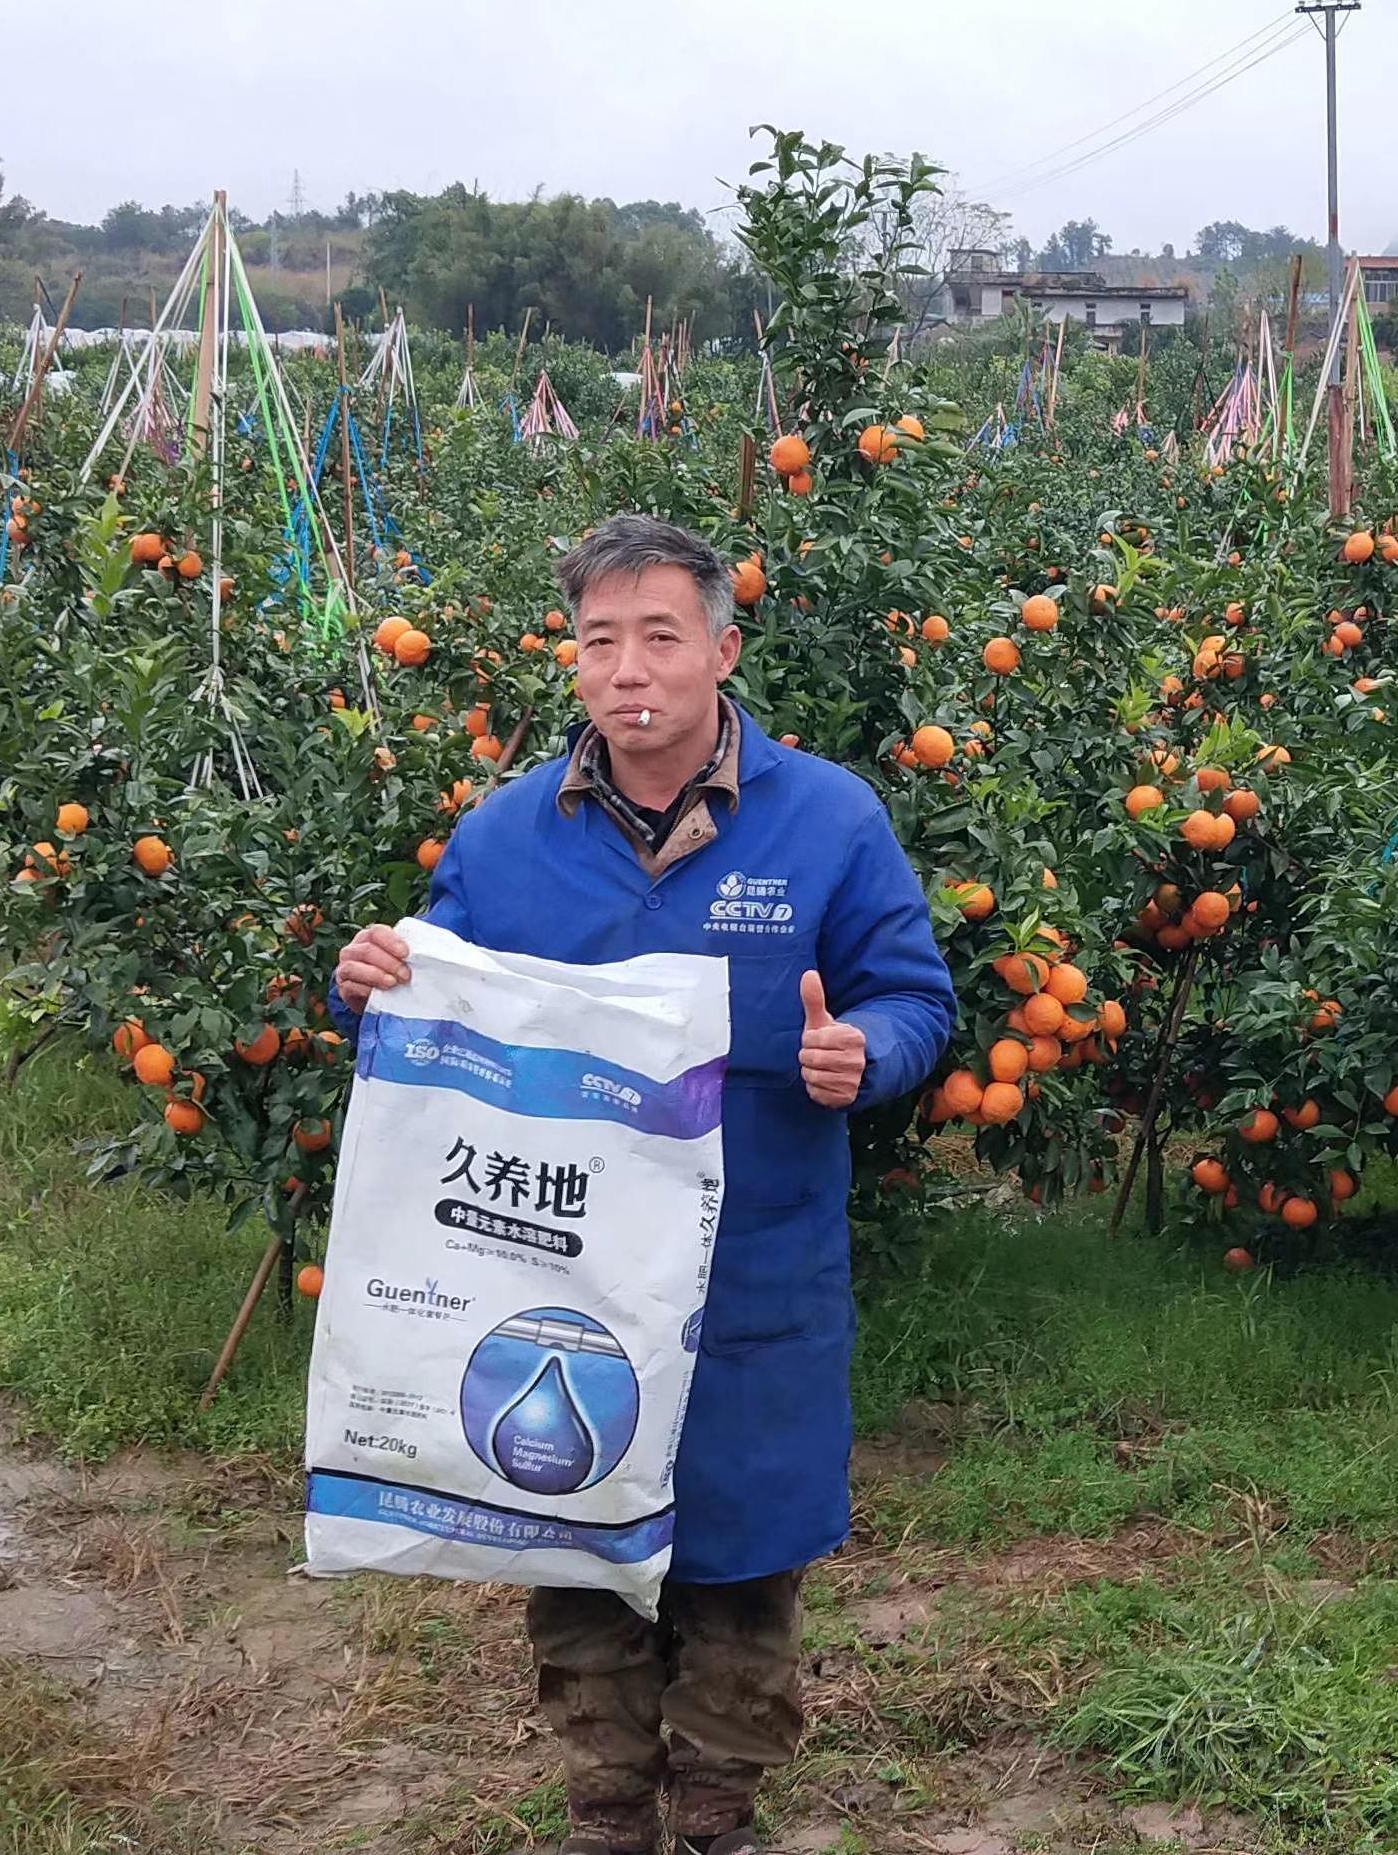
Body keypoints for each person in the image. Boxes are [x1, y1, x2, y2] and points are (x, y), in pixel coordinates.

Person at [334, 513, 953, 1855]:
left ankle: (717, 1803)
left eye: (660, 638)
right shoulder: (506, 843)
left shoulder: (826, 821)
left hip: (751, 1270)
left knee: (741, 1553)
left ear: (721, 651)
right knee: (568, 1525)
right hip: (557, 1268)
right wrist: (375, 981)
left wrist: (868, 1053)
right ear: (574, 665)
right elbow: (434, 999)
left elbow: (915, 995)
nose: (630, 670)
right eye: (600, 641)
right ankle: (606, 1800)